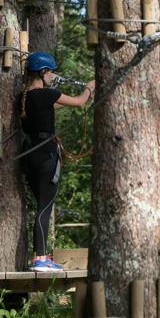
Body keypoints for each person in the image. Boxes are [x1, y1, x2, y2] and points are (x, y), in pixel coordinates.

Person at [20, 52, 95, 272]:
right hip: (46, 156)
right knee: (45, 208)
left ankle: (40, 256)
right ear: (43, 73)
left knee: (42, 206)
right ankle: (40, 259)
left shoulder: (27, 96)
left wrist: (80, 95)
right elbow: (80, 102)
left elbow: (54, 105)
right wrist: (89, 88)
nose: (53, 76)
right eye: (50, 72)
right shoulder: (46, 94)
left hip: (31, 156)